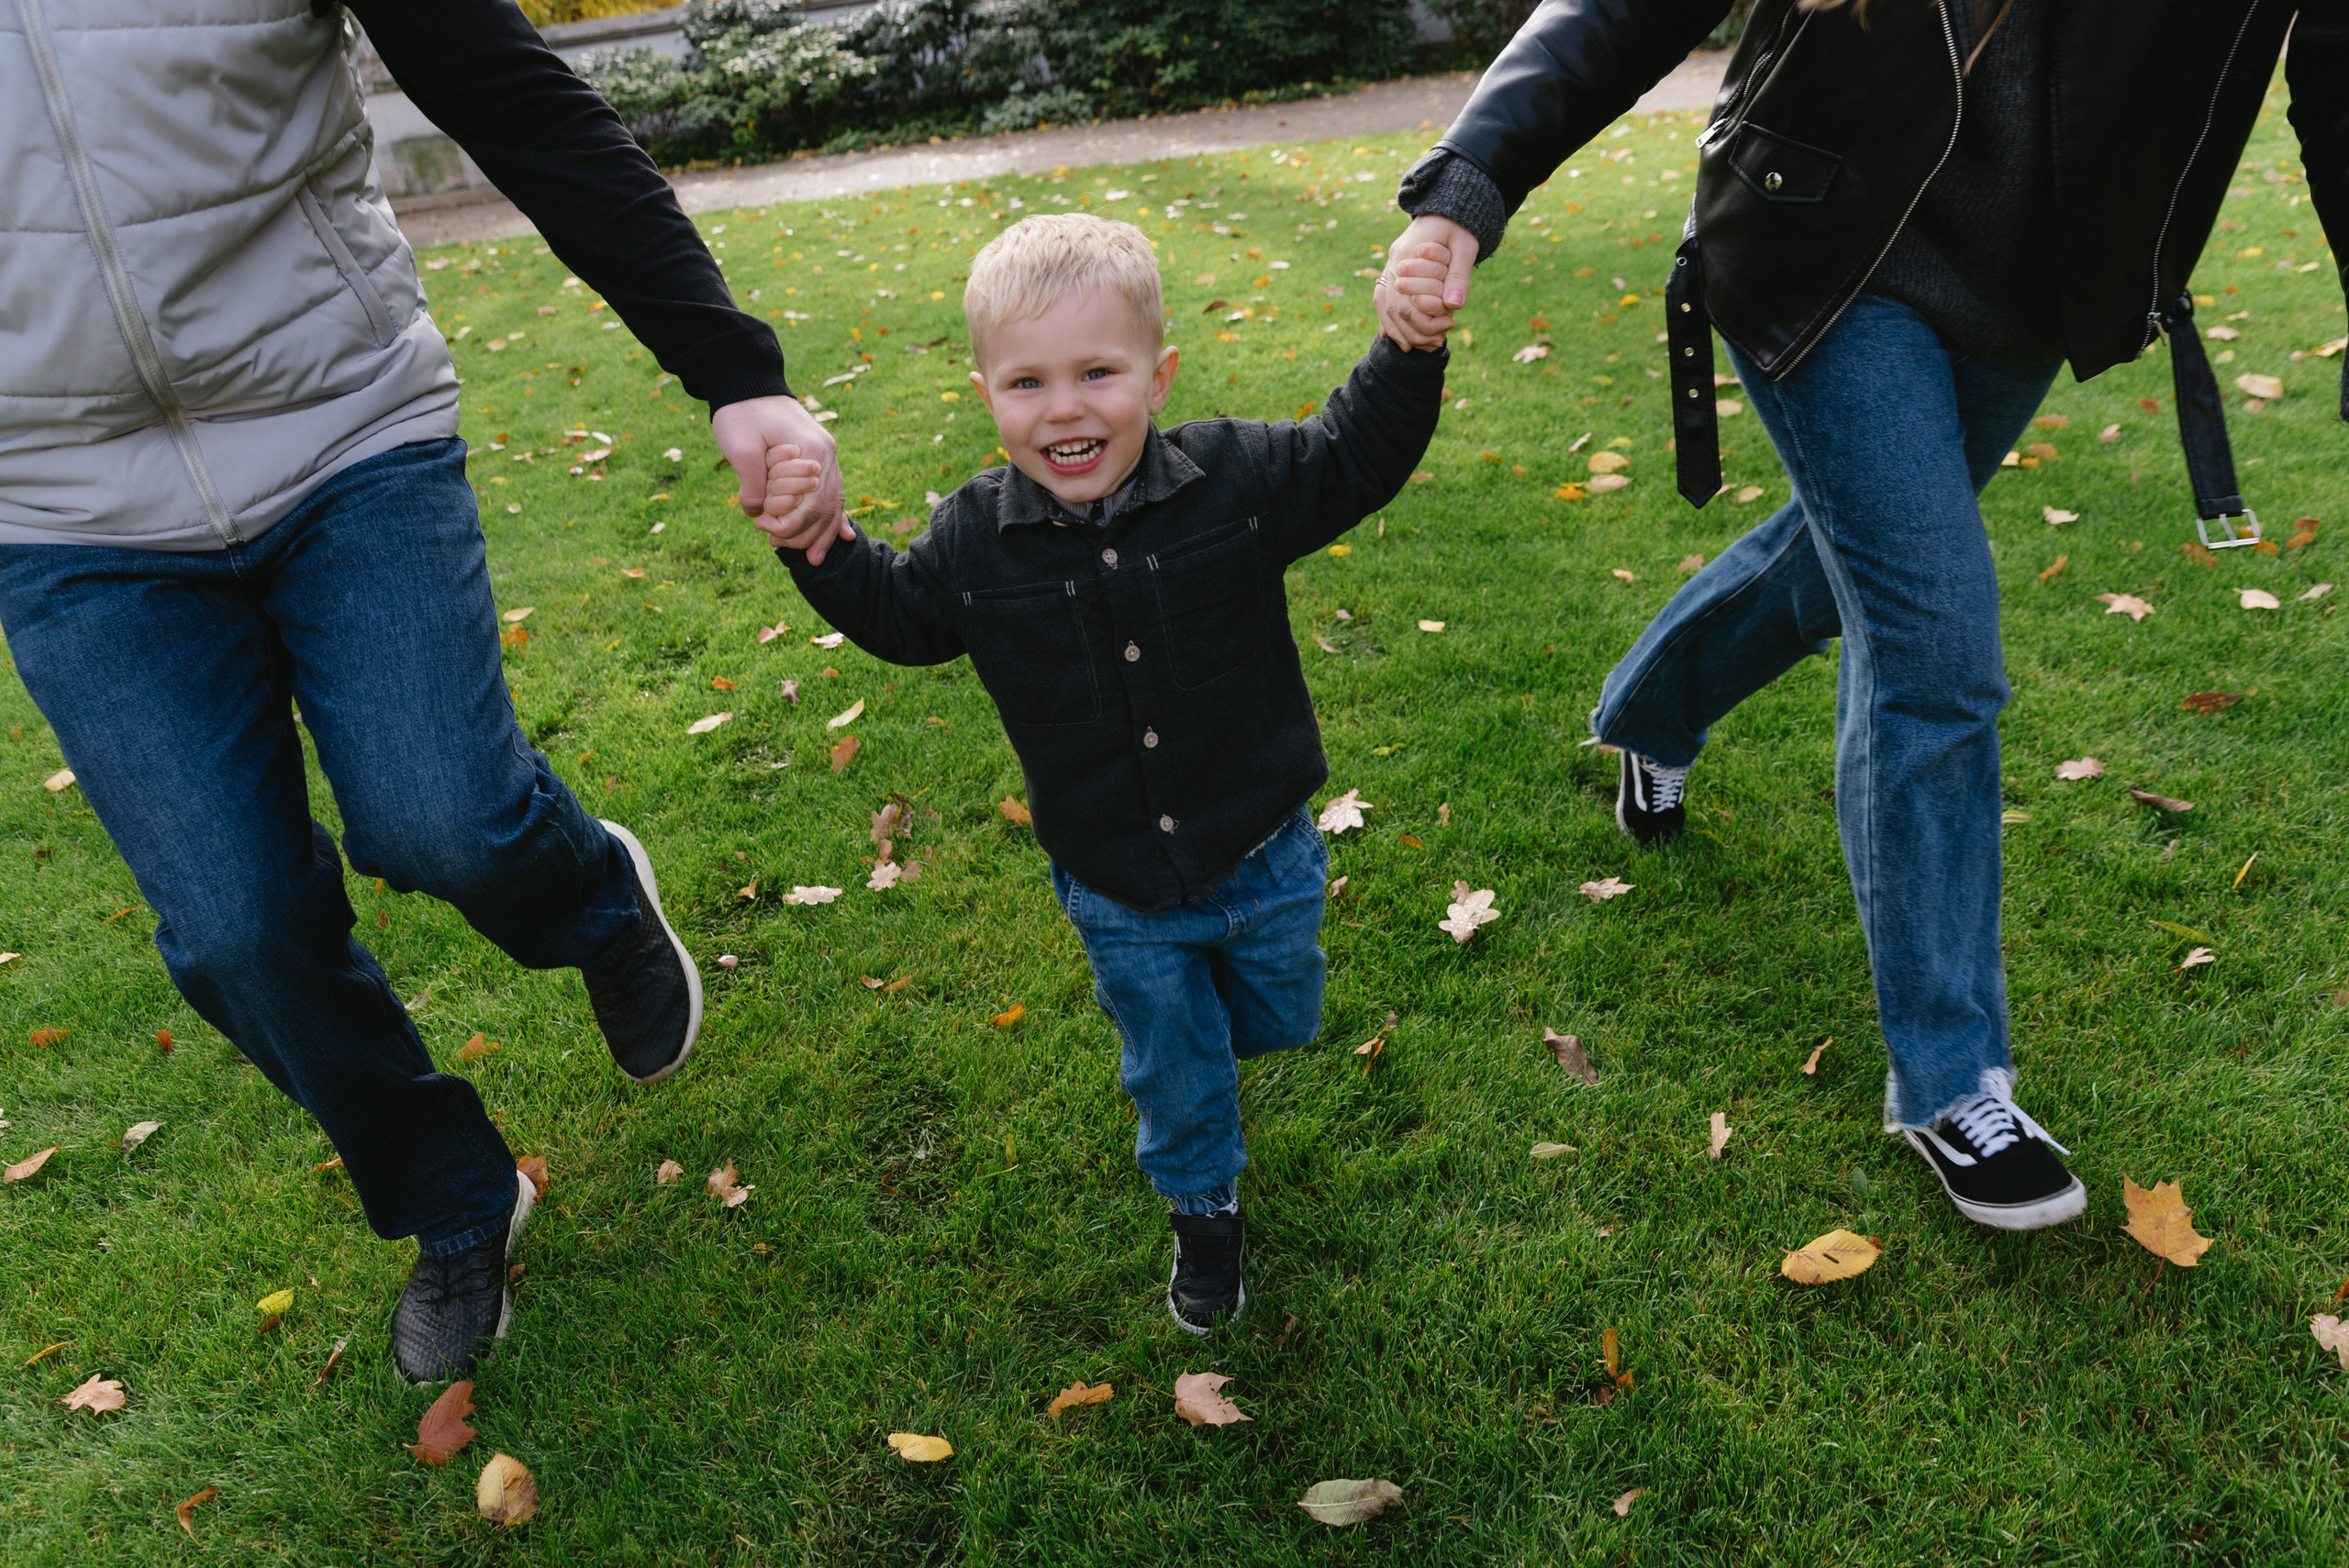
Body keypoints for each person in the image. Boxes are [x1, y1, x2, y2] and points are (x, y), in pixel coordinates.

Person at [1377, 0, 2348, 1230]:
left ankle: (1653, 711)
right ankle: (1954, 1081)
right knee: (1932, 641)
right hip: (1823, 249)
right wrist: (1469, 184)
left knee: (1840, 561)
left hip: (2030, 290)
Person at [0, 0, 846, 1381]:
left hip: (339, 424)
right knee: (234, 930)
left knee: (442, 817)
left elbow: (507, 92)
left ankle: (591, 897)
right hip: (65, 513)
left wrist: (734, 370)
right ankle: (458, 1200)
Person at [765, 214, 1449, 1330]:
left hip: (1262, 847)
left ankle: (1216, 1053)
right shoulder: (973, 540)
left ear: (1158, 374)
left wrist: (1406, 346)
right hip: (1118, 883)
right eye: (1027, 381)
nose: (1065, 408)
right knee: (1175, 1068)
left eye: (1097, 372)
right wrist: (818, 542)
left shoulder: (1237, 478)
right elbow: (899, 615)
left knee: (1276, 1017)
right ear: (986, 391)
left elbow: (1355, 456)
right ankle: (1202, 1207)